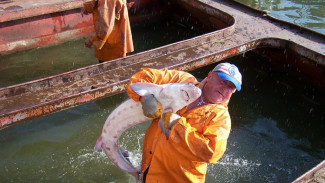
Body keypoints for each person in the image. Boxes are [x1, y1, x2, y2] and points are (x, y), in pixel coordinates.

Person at [126, 62, 242, 182]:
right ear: (209, 76)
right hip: (148, 167)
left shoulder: (221, 118)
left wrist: (175, 124)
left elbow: (212, 153)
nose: (225, 88)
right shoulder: (183, 81)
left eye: (231, 87)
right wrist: (144, 98)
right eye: (223, 81)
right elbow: (143, 76)